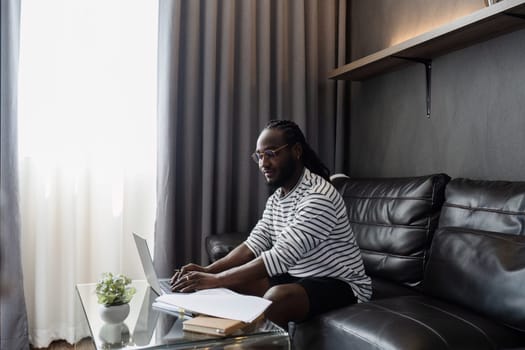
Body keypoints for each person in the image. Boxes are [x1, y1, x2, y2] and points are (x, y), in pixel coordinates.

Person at [170, 120, 371, 327]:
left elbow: (281, 256)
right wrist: (207, 271)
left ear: (296, 151)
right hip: (298, 276)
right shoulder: (278, 198)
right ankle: (212, 336)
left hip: (341, 284)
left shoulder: (319, 197)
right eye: (259, 155)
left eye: (271, 153)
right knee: (237, 282)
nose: (263, 163)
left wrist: (216, 279)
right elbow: (253, 245)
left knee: (277, 298)